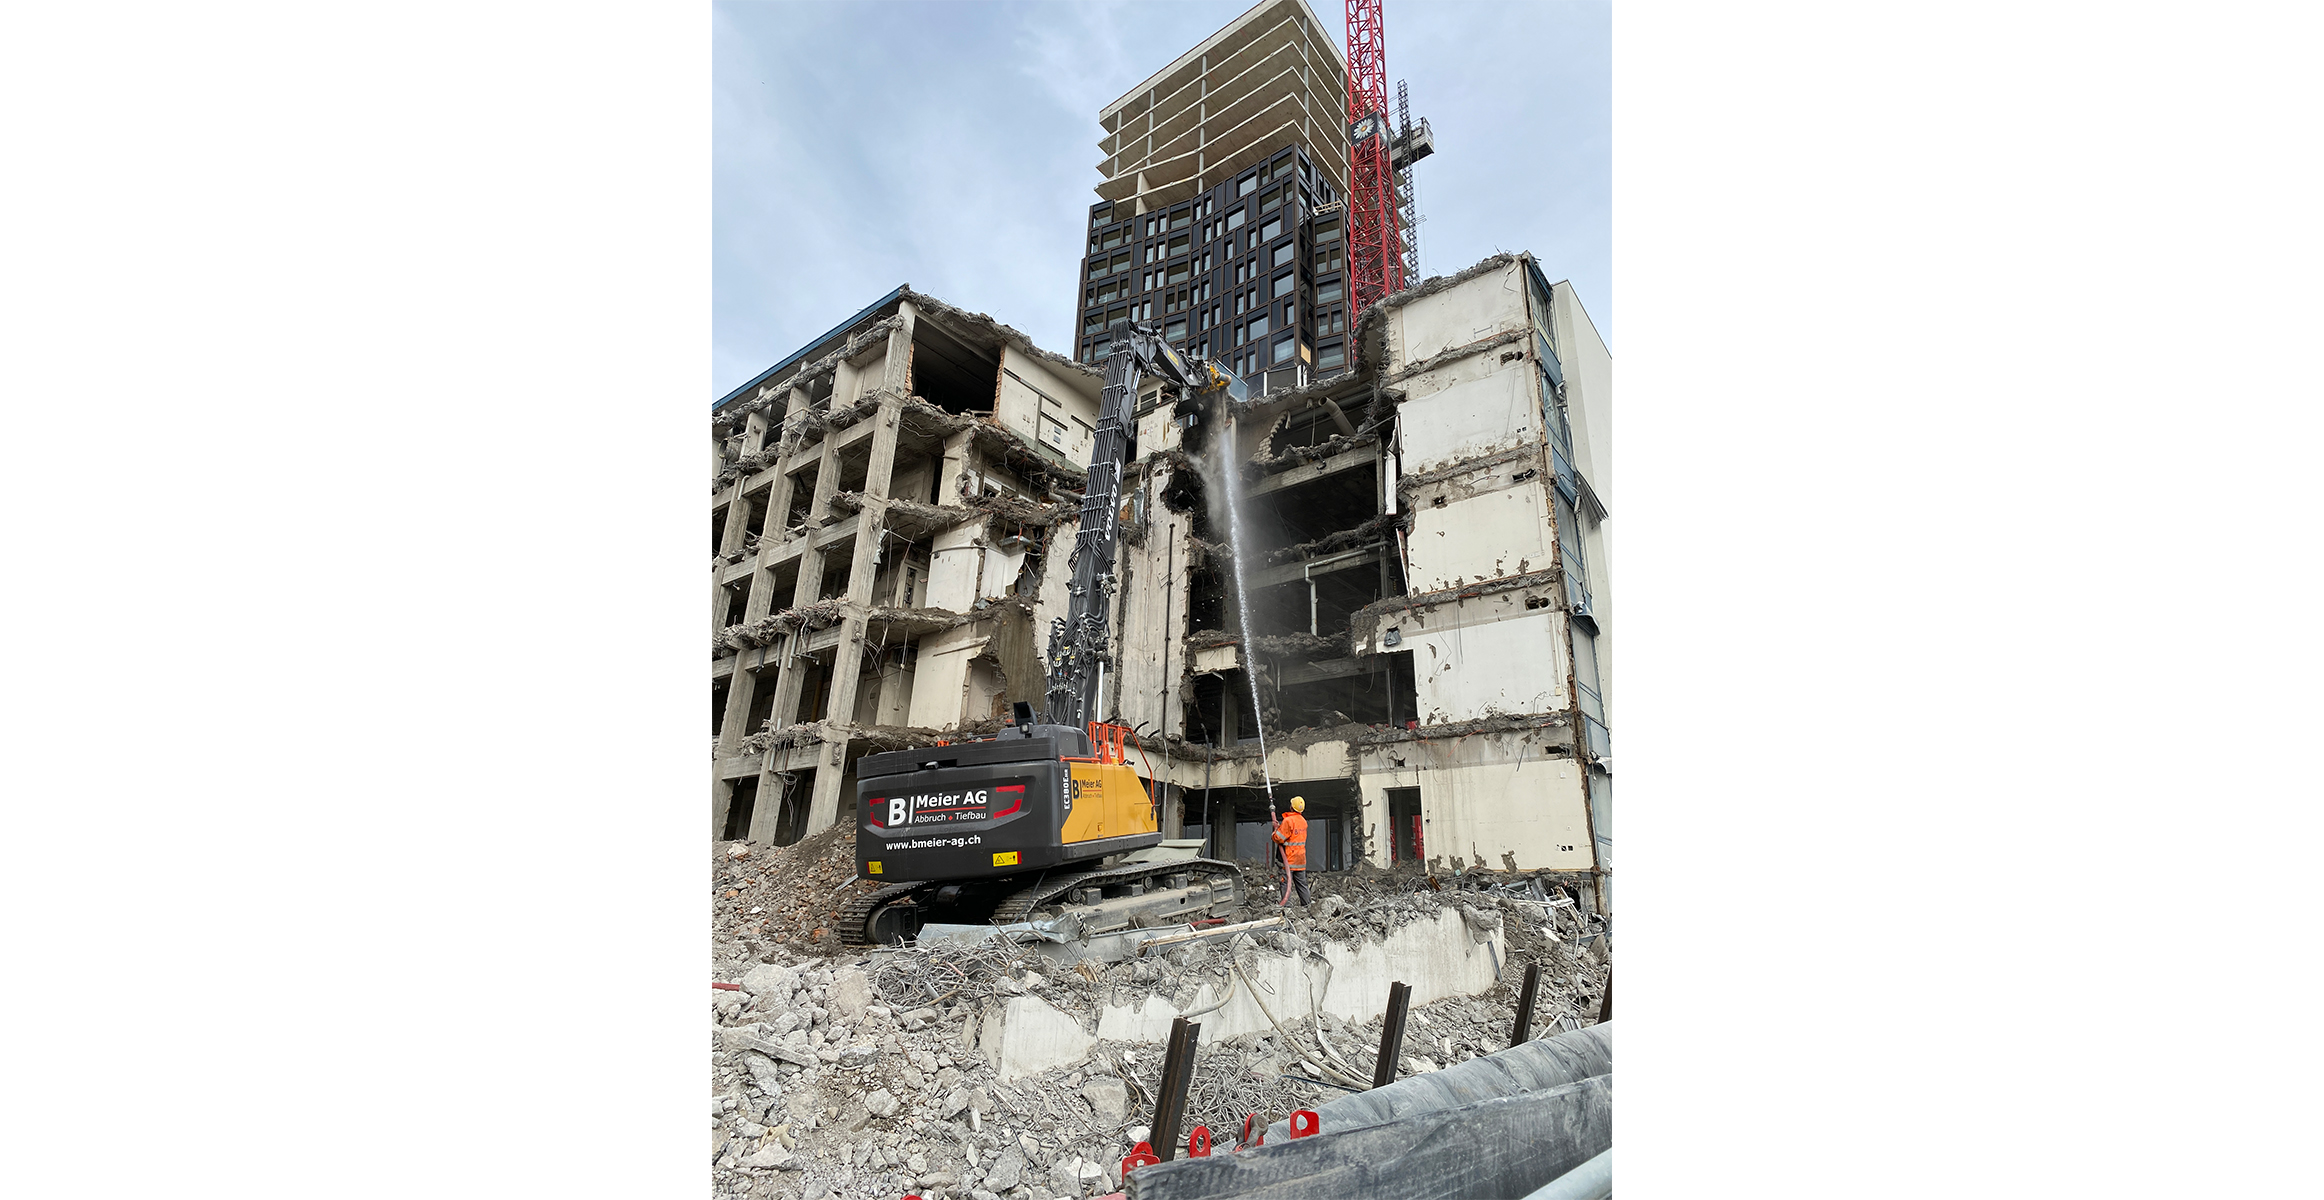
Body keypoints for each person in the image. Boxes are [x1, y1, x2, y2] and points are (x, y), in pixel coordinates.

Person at [1272, 796, 1309, 907]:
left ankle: (1287, 908)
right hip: (1300, 859)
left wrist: (1275, 832)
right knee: (1302, 884)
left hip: (1289, 858)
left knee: (1285, 883)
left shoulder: (1288, 821)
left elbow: (1279, 838)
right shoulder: (1303, 821)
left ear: (1291, 807)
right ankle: (1307, 906)